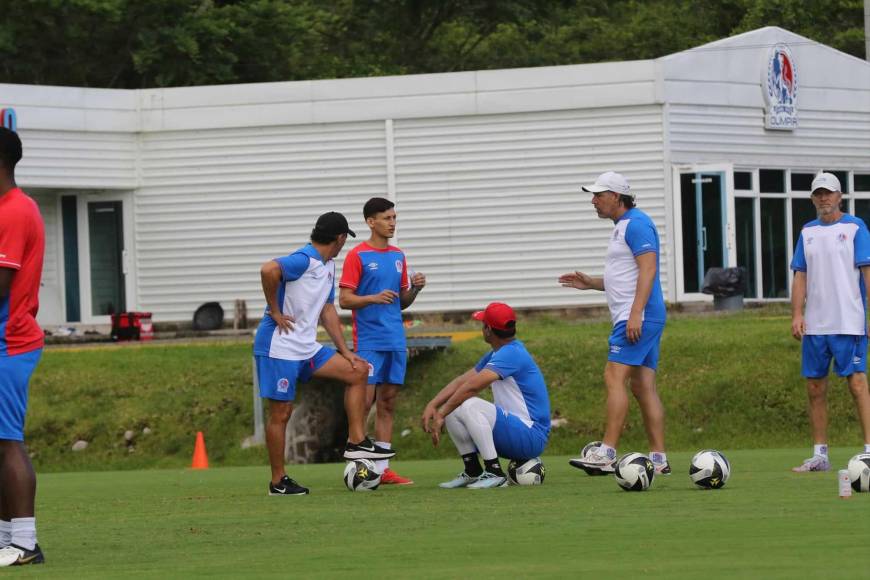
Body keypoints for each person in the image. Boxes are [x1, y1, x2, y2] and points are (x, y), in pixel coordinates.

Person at [254, 211, 395, 496]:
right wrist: (275, 310)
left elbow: (327, 310)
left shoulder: (328, 265)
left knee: (358, 370)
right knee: (281, 413)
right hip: (279, 347)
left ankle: (356, 442)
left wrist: (346, 352)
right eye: (345, 238)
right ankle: (278, 481)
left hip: (307, 348)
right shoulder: (304, 259)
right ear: (340, 238)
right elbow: (269, 269)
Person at [559, 171, 669, 475]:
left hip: (638, 316)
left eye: (599, 195)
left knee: (613, 376)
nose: (593, 201)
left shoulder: (636, 224)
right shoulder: (623, 227)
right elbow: (626, 277)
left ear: (617, 197)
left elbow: (648, 270)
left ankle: (606, 452)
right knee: (643, 385)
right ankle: (658, 460)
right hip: (641, 313)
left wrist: (635, 313)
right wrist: (592, 283)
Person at [339, 197, 425, 485]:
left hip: (395, 341)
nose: (392, 223)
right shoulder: (357, 256)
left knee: (387, 403)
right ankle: (357, 463)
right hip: (369, 342)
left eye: (394, 218)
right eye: (387, 218)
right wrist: (372, 298)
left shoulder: (399, 256)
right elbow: (344, 299)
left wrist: (415, 289)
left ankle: (383, 468)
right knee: (363, 402)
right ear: (370, 222)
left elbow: (400, 303)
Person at [421, 302, 550, 489]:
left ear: (488, 329)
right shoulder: (498, 353)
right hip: (514, 433)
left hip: (531, 437)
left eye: (482, 324)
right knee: (456, 404)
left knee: (469, 403)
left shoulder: (511, 353)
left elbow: (471, 388)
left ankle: (495, 473)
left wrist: (440, 414)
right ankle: (473, 471)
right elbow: (461, 382)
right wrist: (433, 405)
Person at [790, 172, 870, 472]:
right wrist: (797, 314)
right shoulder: (807, 232)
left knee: (857, 384)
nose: (824, 198)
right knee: (814, 388)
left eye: (829, 193)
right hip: (816, 325)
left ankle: (868, 451)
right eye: (818, 194)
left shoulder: (855, 228)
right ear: (812, 198)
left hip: (849, 322)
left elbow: (867, 273)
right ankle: (820, 454)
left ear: (839, 197)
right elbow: (800, 275)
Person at [0, 127, 46, 566]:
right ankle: (5, 541)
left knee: (7, 441)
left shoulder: (14, 211)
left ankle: (26, 544)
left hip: (8, 342)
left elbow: (1, 283)